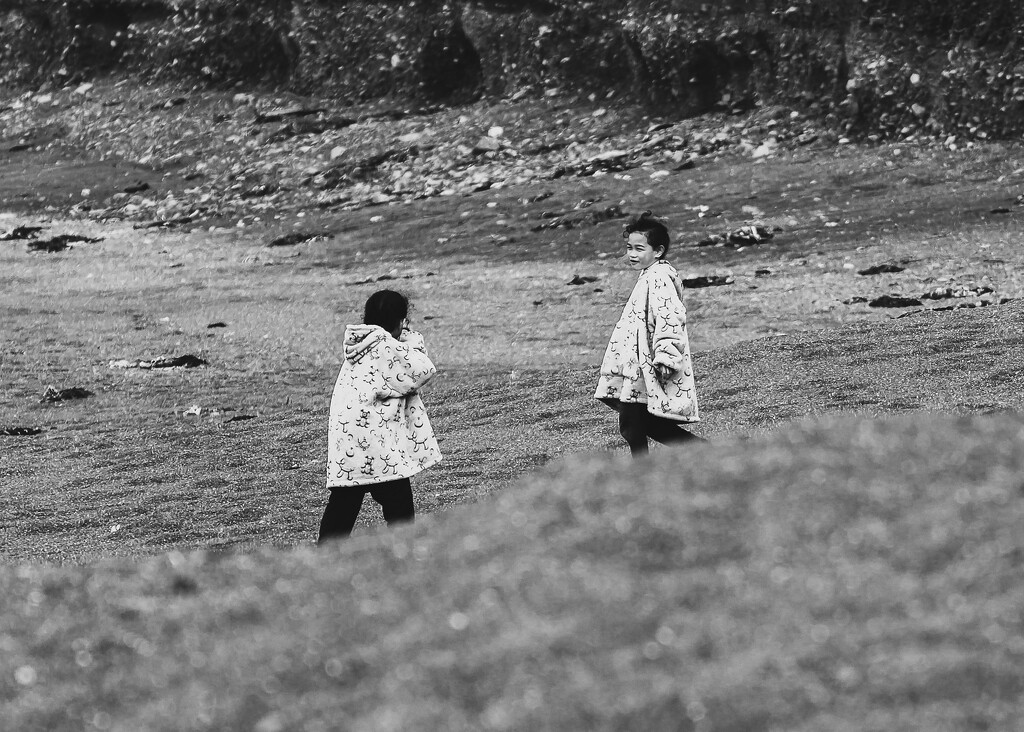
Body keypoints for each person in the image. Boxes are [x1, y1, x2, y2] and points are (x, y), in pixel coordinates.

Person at [319, 289, 442, 542]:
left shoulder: (359, 344)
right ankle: (405, 551)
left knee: (345, 500)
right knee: (399, 502)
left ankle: (325, 556)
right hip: (376, 442)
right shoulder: (385, 346)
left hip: (349, 438)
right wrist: (411, 339)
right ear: (400, 322)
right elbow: (422, 370)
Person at [595, 211, 701, 457]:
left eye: (639, 248)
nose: (632, 254)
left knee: (634, 423)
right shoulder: (648, 275)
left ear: (658, 251)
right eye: (629, 247)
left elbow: (670, 317)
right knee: (640, 423)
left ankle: (643, 474)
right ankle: (707, 454)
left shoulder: (659, 278)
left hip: (648, 364)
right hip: (636, 365)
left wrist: (666, 356)